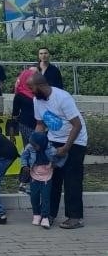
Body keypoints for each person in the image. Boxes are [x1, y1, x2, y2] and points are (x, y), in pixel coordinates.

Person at [28, 72, 88, 229]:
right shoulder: (37, 100)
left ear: (41, 86)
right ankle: (49, 213)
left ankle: (74, 217)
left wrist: (66, 148)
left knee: (72, 179)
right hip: (53, 139)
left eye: (31, 88)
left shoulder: (62, 98)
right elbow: (40, 124)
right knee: (52, 178)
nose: (30, 91)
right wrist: (34, 145)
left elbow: (77, 125)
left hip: (75, 141)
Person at [21, 131, 66, 229]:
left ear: (42, 144)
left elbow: (64, 155)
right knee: (34, 196)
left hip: (47, 177)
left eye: (35, 145)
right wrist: (24, 165)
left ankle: (45, 216)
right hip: (34, 176)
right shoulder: (30, 147)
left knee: (46, 197)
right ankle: (36, 214)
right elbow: (24, 156)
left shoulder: (51, 150)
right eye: (32, 144)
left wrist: (57, 164)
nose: (32, 146)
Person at [12, 67, 38, 146]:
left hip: (32, 124)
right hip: (29, 125)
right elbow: (15, 114)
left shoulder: (39, 92)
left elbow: (15, 114)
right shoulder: (20, 95)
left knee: (30, 147)